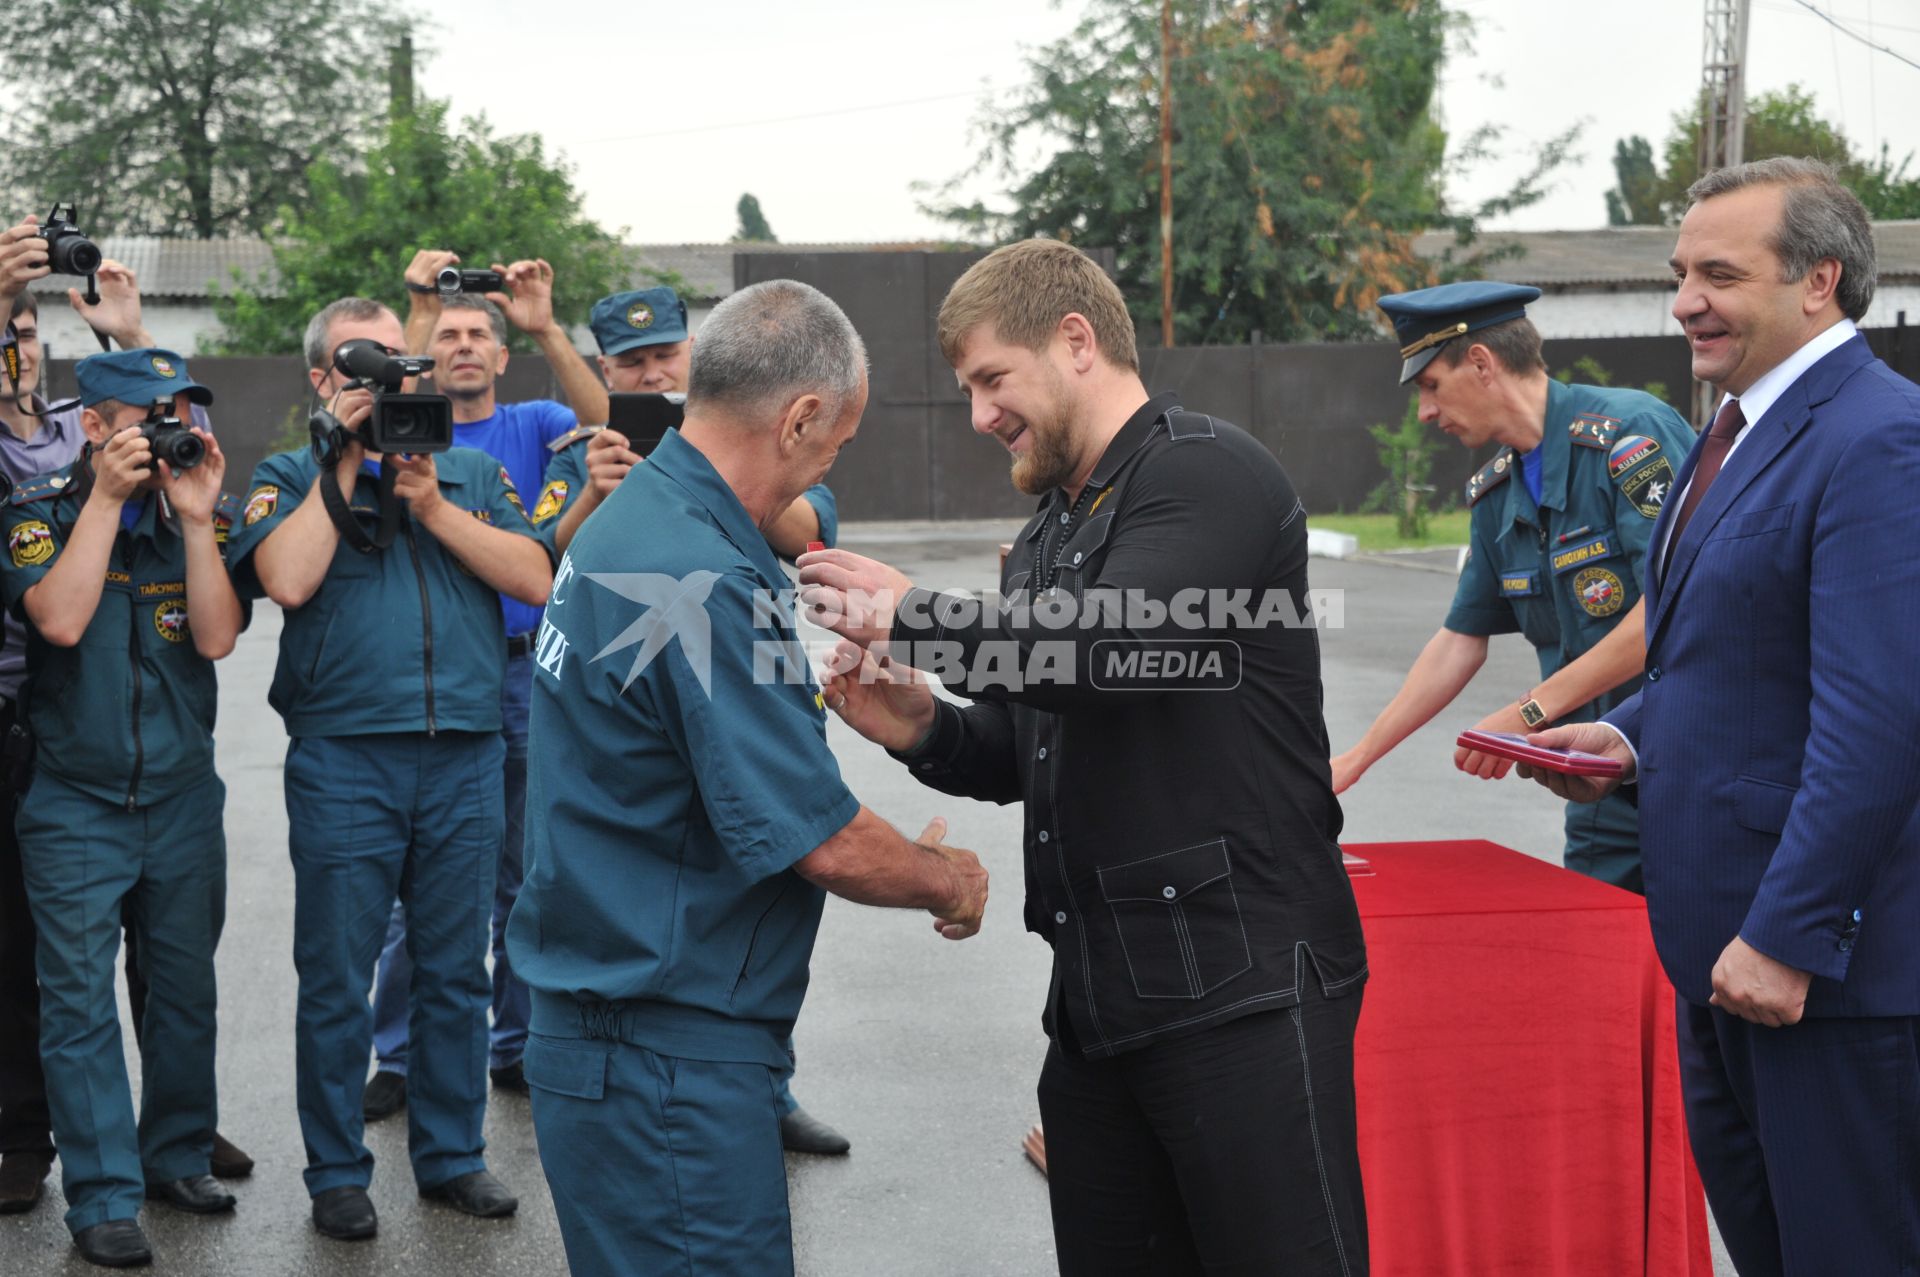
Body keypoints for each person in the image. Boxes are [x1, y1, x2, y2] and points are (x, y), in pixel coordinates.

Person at [800, 238, 1368, 1274]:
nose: (979, 416)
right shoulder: (1059, 522)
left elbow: (1113, 651)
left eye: (990, 380)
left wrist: (912, 612)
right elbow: (1035, 745)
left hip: (1238, 992)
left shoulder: (1206, 473)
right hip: (1104, 1004)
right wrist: (922, 724)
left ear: (1075, 342)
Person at [506, 279, 987, 1277]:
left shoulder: (631, 518)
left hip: (612, 1032)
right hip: (663, 1059)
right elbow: (825, 838)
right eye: (834, 441)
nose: (827, 462)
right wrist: (953, 882)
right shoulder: (700, 573)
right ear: (801, 414)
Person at [1522, 157, 1920, 1274]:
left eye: (1719, 272)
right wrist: (1630, 734)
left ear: (1819, 280)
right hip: (1715, 955)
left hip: (1817, 975)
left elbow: (1880, 718)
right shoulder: (1731, 430)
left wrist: (1788, 937)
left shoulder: (1879, 438)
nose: (1685, 297)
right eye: (1679, 270)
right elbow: (1730, 659)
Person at [224, 297, 551, 1242]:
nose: (390, 386)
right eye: (361, 372)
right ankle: (337, 1173)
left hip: (465, 754)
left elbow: (534, 578)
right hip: (345, 758)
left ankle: (452, 1158)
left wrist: (433, 502)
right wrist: (342, 463)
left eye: (395, 369)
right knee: (336, 976)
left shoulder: (472, 471)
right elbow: (284, 580)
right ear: (323, 381)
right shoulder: (288, 472)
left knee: (456, 971)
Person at [535, 283, 852, 1155]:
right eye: (629, 363)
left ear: (698, 359)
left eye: (664, 355)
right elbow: (814, 837)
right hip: (671, 1034)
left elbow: (799, 524)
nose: (651, 372)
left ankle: (771, 1087)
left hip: (671, 1003)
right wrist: (946, 879)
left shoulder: (734, 468)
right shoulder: (631, 506)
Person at [0, 217, 251, 1221]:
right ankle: (102, 1195)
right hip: (73, 797)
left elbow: (222, 635)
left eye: (178, 411)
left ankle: (175, 1152)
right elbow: (57, 617)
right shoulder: (41, 513)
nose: (168, 431)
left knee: (184, 992)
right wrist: (102, 500)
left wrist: (196, 521)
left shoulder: (198, 513)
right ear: (95, 426)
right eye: (146, 417)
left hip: (182, 794)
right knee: (76, 1008)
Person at [1329, 281, 1695, 893]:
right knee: (1599, 964)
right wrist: (1357, 759)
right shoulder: (1495, 494)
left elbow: (1670, 609)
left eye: (1429, 386)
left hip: (1689, 771)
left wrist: (1529, 711)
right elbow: (1459, 639)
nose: (1424, 412)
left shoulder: (1630, 438)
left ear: (1480, 363)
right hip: (1594, 784)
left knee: (1704, 977)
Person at [358, 252, 610, 1124]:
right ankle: (397, 1053)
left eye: (480, 335)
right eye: (449, 333)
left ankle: (513, 1047)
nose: (463, 345)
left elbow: (617, 422)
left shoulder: (539, 422)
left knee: (523, 874)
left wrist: (544, 323)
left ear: (502, 359)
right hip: (436, 681)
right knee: (413, 887)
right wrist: (419, 299)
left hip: (528, 667)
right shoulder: (402, 424)